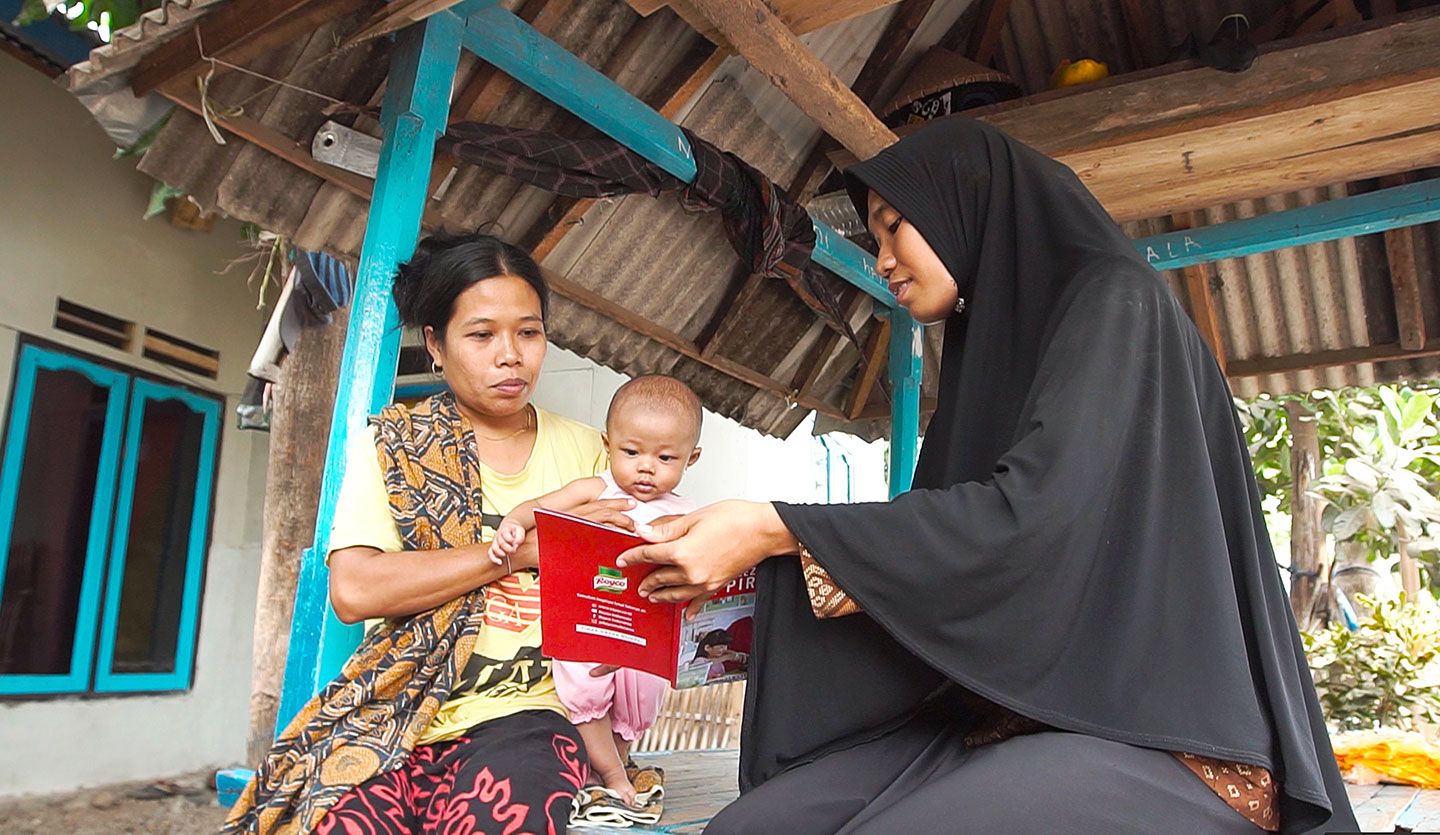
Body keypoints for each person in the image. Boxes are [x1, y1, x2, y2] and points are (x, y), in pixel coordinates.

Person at [614, 118, 1358, 834]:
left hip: (1160, 729)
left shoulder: (1113, 301)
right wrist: (758, 564)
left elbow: (1031, 526)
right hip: (1012, 711)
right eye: (874, 238)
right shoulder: (986, 352)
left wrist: (777, 527)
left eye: (895, 226)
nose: (881, 260)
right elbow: (943, 544)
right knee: (754, 824)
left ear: (965, 202)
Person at [226, 233, 641, 835]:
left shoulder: (591, 454)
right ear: (436, 346)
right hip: (395, 711)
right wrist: (528, 551)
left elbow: (623, 580)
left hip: (530, 717)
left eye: (529, 332)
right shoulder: (396, 447)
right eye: (481, 335)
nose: (511, 355)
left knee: (515, 812)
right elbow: (357, 589)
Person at [490, 373, 704, 805]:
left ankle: (619, 761)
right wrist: (512, 525)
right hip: (589, 618)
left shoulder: (690, 514)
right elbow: (539, 508)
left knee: (639, 699)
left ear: (691, 459)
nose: (646, 467)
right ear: (607, 446)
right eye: (631, 452)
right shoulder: (595, 489)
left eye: (665, 457)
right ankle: (608, 772)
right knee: (586, 690)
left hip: (644, 628)